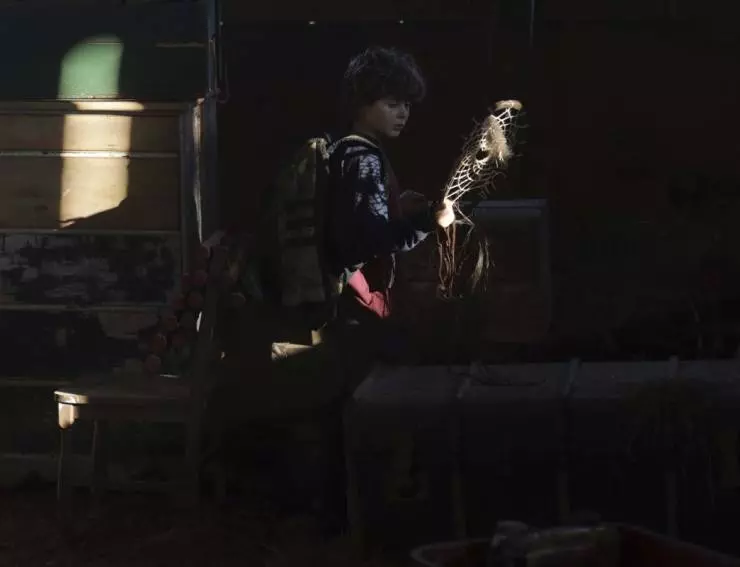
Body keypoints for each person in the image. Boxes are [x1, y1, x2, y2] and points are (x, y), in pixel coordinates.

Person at [324, 46, 455, 368]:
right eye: (392, 104)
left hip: (349, 299)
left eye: (407, 105)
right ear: (362, 104)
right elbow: (375, 240)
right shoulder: (363, 158)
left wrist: (396, 204)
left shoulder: (345, 148)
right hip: (355, 303)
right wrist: (429, 221)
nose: (403, 114)